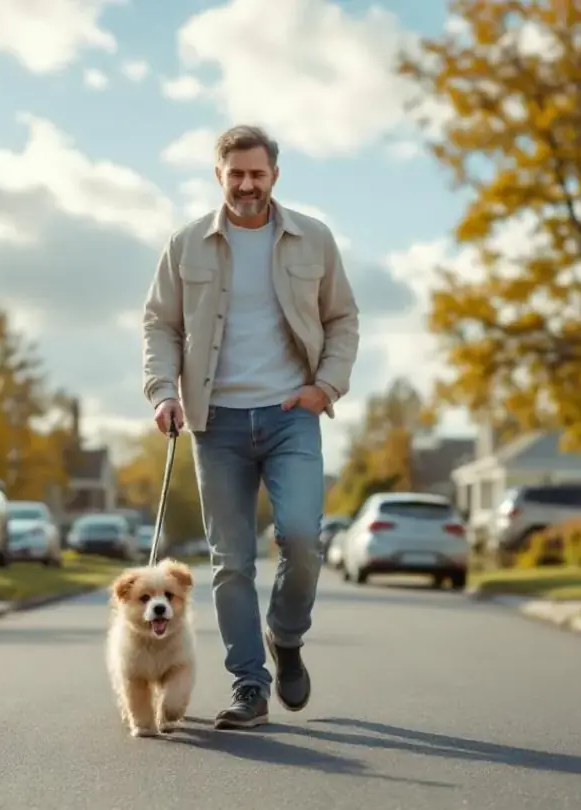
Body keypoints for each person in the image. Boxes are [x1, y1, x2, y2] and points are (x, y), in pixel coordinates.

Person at [141, 124, 360, 730]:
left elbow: (342, 318)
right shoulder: (186, 245)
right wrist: (163, 392)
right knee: (231, 561)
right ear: (219, 176)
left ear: (274, 176)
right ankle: (249, 685)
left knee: (300, 537)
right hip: (218, 424)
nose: (246, 185)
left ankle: (284, 636)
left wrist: (326, 387)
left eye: (256, 174)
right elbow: (159, 324)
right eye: (235, 174)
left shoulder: (312, 239)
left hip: (293, 416)